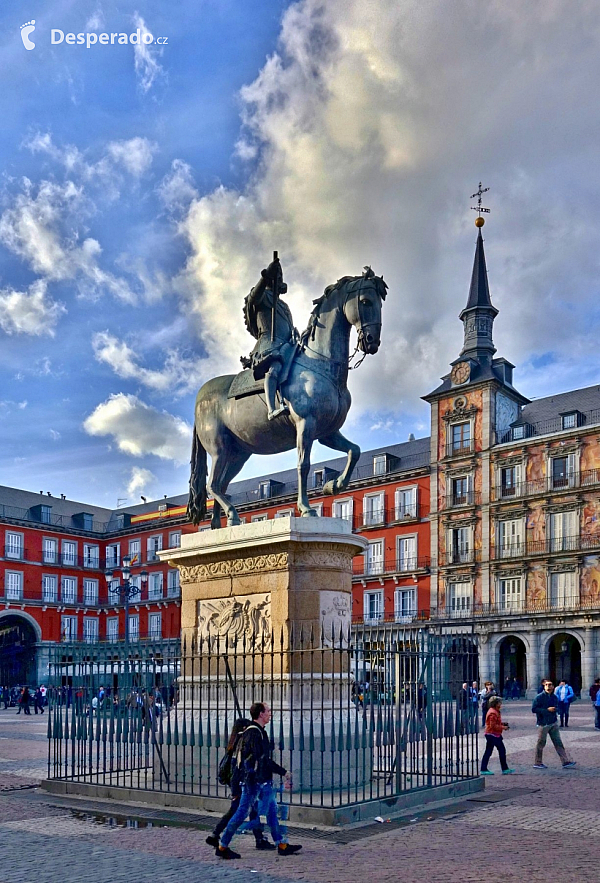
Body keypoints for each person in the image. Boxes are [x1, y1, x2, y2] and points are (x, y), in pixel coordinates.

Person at [217, 701, 301, 860]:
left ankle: (281, 844)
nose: (270, 713)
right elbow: (262, 759)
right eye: (268, 711)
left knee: (272, 811)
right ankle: (223, 845)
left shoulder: (259, 732)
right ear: (261, 714)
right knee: (241, 814)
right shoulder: (254, 733)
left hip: (261, 781)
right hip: (254, 782)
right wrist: (284, 772)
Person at [241, 257, 297, 421]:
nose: (279, 280)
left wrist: (294, 333)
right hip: (269, 343)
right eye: (276, 277)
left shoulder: (284, 306)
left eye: (280, 277)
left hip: (286, 345)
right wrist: (265, 277)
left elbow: (289, 326)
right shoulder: (263, 296)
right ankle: (272, 409)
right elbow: (253, 298)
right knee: (275, 367)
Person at [206, 718, 273, 851]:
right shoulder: (241, 742)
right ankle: (221, 837)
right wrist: (236, 790)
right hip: (241, 782)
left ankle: (257, 838)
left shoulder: (235, 741)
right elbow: (236, 769)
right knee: (240, 810)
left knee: (247, 809)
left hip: (240, 782)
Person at [531, 680, 576, 769]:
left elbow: (557, 707)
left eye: (550, 685)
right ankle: (538, 762)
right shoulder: (539, 697)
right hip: (543, 723)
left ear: (553, 687)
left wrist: (556, 710)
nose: (548, 686)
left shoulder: (555, 697)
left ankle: (565, 761)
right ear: (544, 686)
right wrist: (547, 710)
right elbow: (534, 709)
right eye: (546, 685)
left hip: (553, 723)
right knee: (541, 743)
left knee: (558, 742)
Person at [480, 697, 514, 775]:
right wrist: (503, 727)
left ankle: (485, 768)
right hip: (492, 734)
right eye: (499, 702)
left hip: (494, 734)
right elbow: (492, 726)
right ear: (495, 703)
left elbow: (495, 723)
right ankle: (503, 768)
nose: (501, 704)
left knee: (491, 751)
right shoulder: (493, 712)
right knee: (498, 750)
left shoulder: (495, 711)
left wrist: (502, 724)